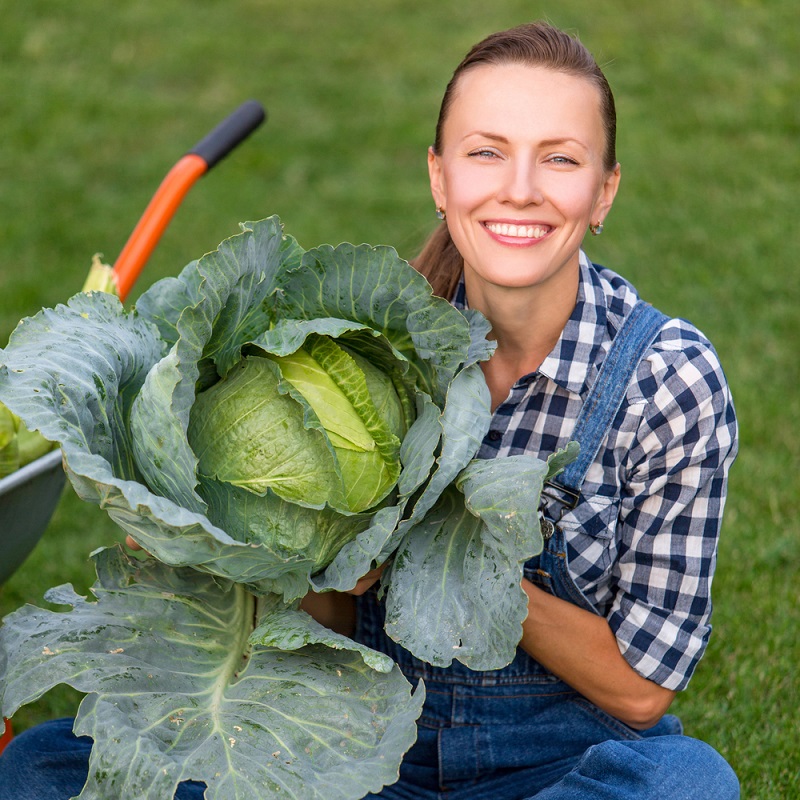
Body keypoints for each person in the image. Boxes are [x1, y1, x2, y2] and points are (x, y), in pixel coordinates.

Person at [0, 21, 739, 800]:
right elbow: (334, 626)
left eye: (560, 158)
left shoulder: (666, 381)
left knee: (687, 782)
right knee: (44, 769)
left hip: (561, 760)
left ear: (603, 192)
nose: (520, 187)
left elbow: (641, 690)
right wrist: (233, 544)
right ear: (440, 178)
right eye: (486, 152)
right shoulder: (380, 346)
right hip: (357, 752)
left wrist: (445, 565)